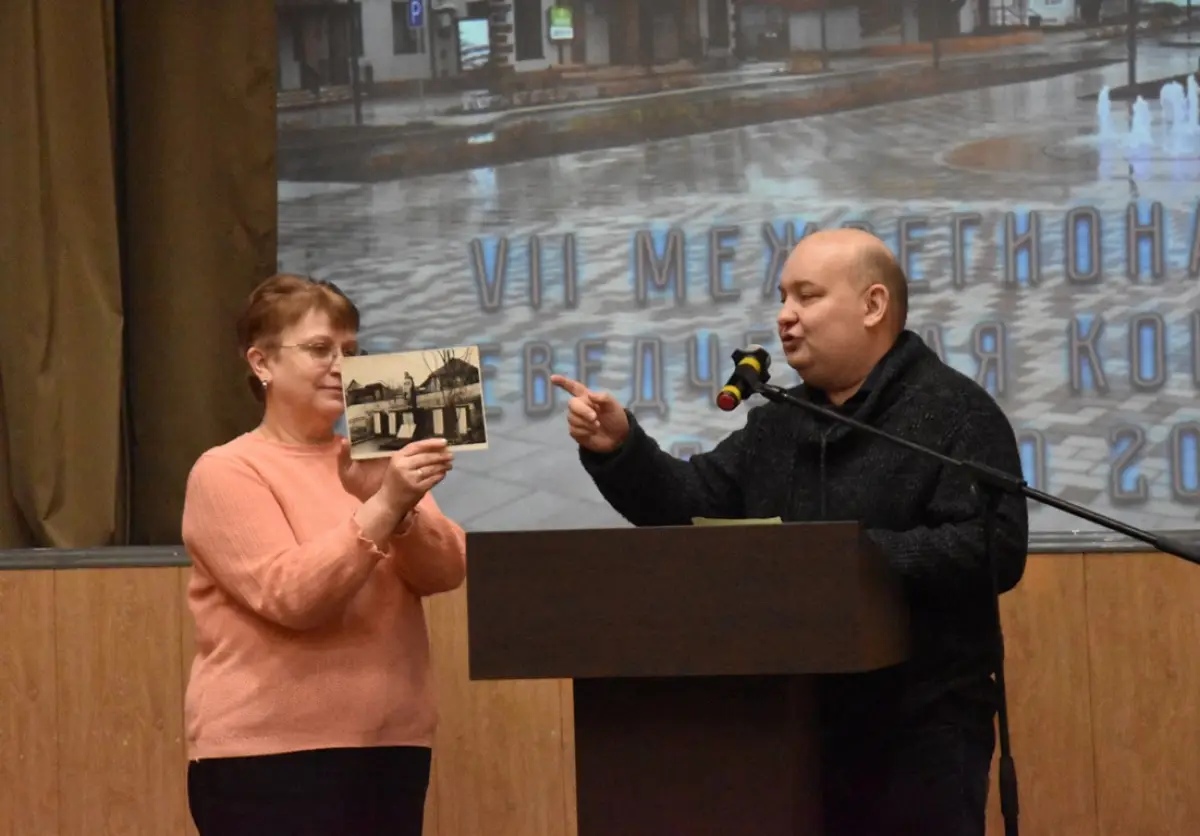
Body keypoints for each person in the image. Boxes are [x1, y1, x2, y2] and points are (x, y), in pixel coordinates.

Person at [550, 228, 1029, 836]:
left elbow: (994, 546)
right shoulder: (779, 425)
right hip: (785, 727)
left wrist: (848, 559)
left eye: (808, 296)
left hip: (922, 731)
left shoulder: (955, 413)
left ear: (873, 305)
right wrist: (621, 448)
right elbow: (688, 504)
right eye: (783, 298)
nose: (784, 315)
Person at [180, 274, 467, 836]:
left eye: (351, 352)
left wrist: (400, 509)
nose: (342, 366)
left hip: (390, 746)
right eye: (319, 349)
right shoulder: (226, 470)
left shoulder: (376, 457)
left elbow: (446, 570)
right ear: (262, 363)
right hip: (266, 757)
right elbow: (293, 597)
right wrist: (384, 506)